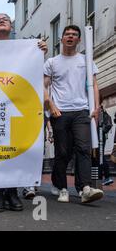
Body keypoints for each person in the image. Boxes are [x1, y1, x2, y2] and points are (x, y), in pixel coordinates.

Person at [0, 13, 47, 212]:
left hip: (16, 106)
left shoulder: (25, 50)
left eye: (6, 19)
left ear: (12, 28)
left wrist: (40, 53)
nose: (2, 21)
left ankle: (11, 192)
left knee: (13, 149)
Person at [44, 25, 104, 204]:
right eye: (67, 34)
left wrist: (96, 107)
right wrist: (50, 104)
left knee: (83, 149)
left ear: (79, 40)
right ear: (61, 39)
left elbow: (93, 84)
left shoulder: (86, 60)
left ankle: (84, 188)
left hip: (82, 111)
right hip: (60, 112)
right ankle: (62, 187)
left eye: (74, 35)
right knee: (63, 152)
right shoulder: (52, 62)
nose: (70, 37)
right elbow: (43, 86)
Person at [101, 106, 114, 186]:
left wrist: (101, 132)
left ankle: (107, 177)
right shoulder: (105, 114)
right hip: (101, 137)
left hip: (100, 137)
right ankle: (106, 177)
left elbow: (108, 125)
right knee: (100, 156)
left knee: (100, 157)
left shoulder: (103, 114)